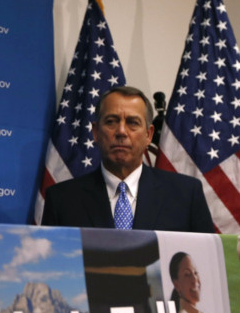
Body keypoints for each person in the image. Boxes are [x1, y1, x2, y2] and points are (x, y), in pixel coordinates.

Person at [41, 86, 215, 233]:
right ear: (95, 132)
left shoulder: (186, 195)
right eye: (111, 121)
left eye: (133, 122)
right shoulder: (61, 200)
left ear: (149, 134)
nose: (121, 132)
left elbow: (206, 265)